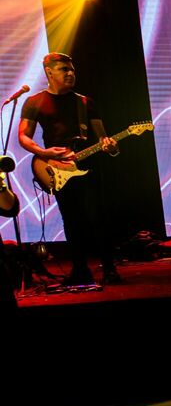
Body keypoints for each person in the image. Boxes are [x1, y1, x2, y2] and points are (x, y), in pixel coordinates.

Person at [18, 52, 120, 285]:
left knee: (98, 217)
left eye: (72, 69)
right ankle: (80, 270)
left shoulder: (85, 103)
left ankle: (110, 268)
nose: (71, 73)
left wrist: (110, 147)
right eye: (64, 69)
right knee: (71, 220)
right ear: (49, 72)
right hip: (57, 169)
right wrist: (44, 153)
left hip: (88, 167)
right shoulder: (35, 102)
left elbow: (103, 138)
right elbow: (23, 136)